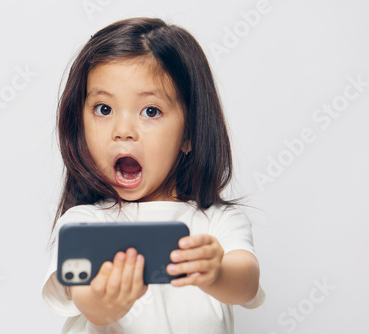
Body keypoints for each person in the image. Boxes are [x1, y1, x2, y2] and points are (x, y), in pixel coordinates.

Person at [42, 17, 265, 333]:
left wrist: (217, 273)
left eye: (150, 111)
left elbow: (246, 283)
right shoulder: (84, 224)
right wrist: (108, 302)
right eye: (103, 109)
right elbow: (86, 299)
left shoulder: (217, 222)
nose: (123, 132)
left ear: (190, 133)